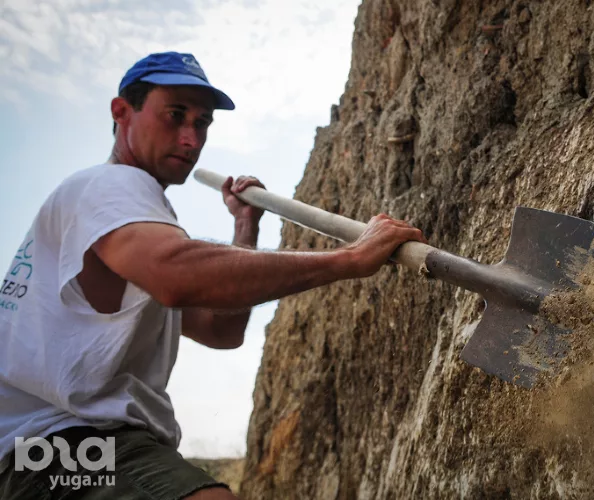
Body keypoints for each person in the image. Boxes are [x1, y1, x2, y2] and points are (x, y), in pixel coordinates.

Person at [0, 52, 426, 500]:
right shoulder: (110, 187)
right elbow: (176, 274)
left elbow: (222, 328)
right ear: (121, 112)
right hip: (64, 445)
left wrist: (245, 225)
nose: (190, 138)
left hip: (37, 456)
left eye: (202, 123)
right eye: (175, 115)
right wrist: (350, 259)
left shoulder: (121, 225)